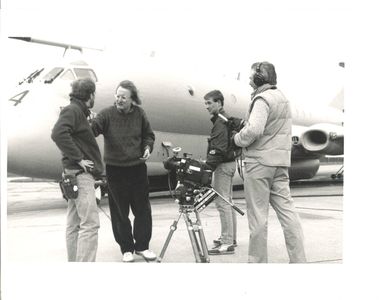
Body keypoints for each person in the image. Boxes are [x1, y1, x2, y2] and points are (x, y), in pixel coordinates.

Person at [232, 62, 306, 263]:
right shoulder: (282, 98)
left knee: (258, 217)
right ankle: (299, 261)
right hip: (280, 163)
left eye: (251, 77)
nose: (249, 80)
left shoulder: (262, 99)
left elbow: (255, 130)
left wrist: (237, 138)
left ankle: (257, 263)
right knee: (288, 213)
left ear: (259, 78)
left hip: (259, 164)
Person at [91, 80, 156, 262]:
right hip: (115, 170)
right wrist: (85, 123)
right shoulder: (106, 115)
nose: (119, 100)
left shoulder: (140, 114)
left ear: (131, 99)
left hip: (137, 169)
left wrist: (147, 148)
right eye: (117, 96)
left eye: (123, 97)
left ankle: (142, 246)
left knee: (143, 210)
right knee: (120, 212)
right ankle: (126, 248)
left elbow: (148, 136)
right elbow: (93, 129)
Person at [51, 78, 103, 262]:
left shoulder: (78, 111)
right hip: (80, 176)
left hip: (73, 175)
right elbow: (58, 133)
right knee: (90, 224)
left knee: (73, 224)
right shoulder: (73, 110)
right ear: (91, 95)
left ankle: (73, 266)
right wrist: (79, 159)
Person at [203, 90, 238, 255]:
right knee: (228, 202)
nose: (207, 106)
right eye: (206, 103)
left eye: (209, 103)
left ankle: (227, 242)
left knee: (222, 203)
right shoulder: (225, 119)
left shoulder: (220, 122)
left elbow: (218, 149)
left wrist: (207, 167)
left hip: (223, 166)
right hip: (229, 164)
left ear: (219, 102)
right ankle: (230, 237)